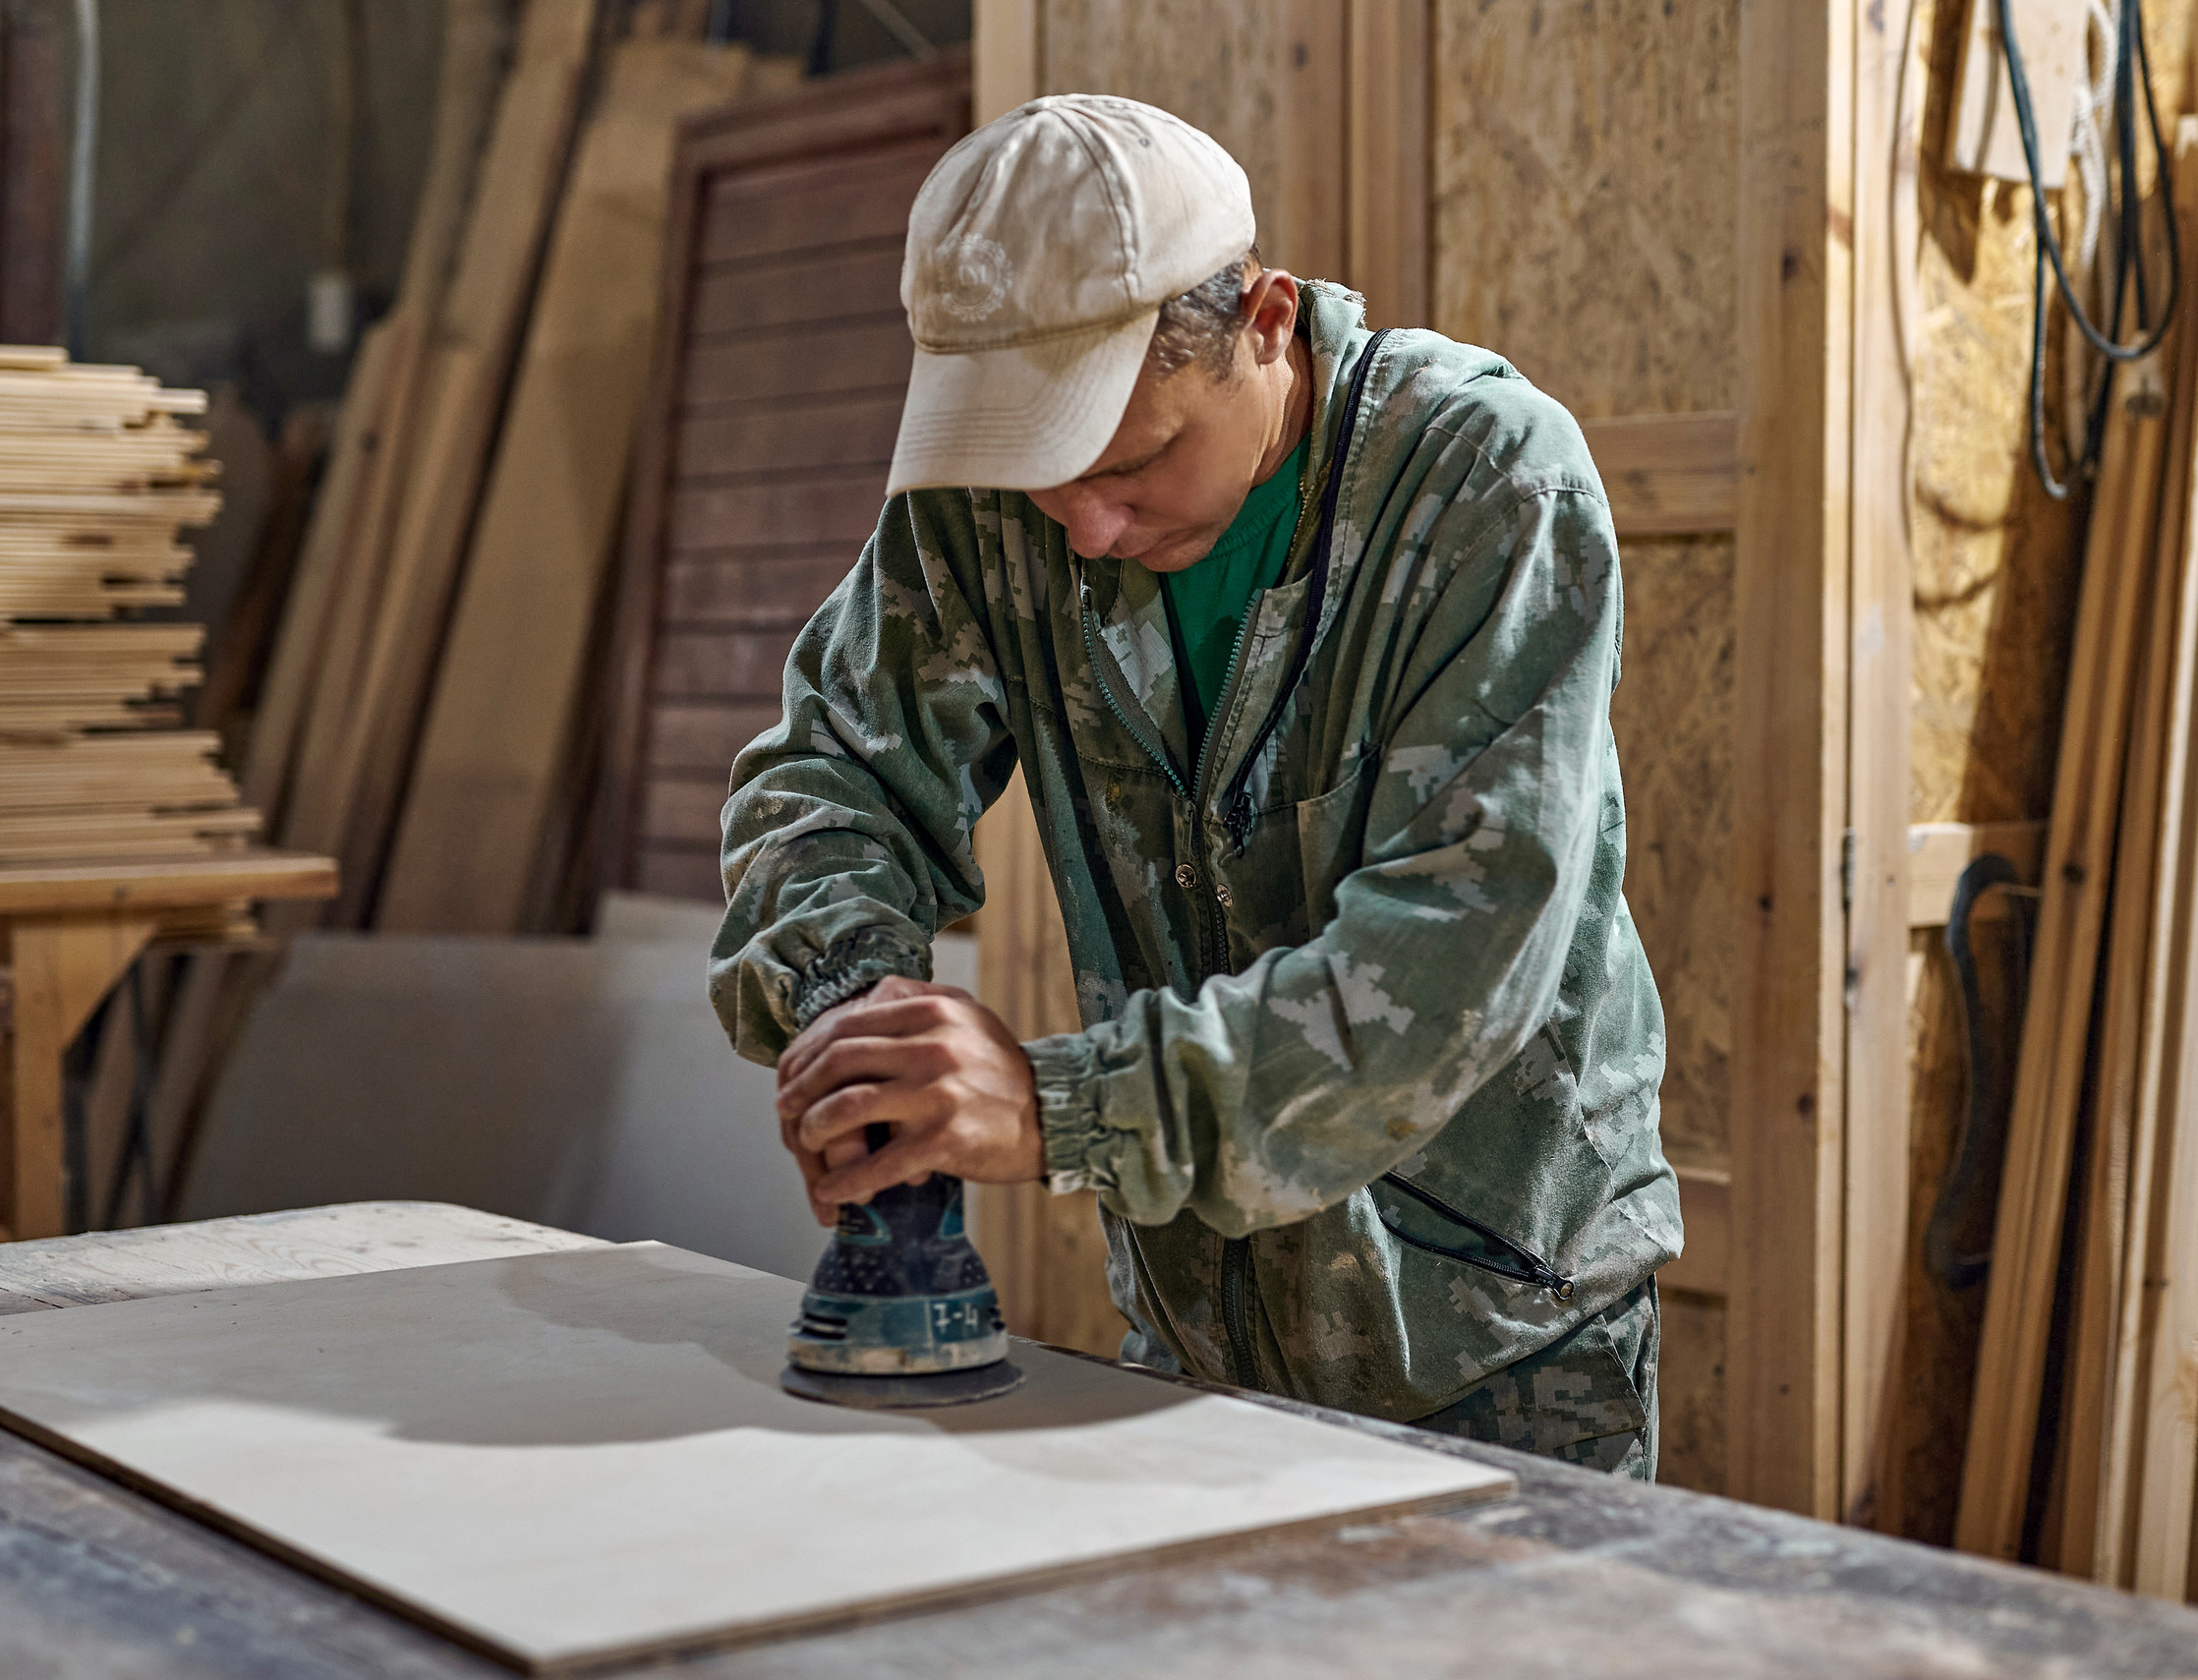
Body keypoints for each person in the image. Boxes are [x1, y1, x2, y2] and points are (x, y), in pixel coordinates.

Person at [711, 93, 1678, 1475]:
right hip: (1195, 1338)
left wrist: (1062, 1107)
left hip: (1494, 1339)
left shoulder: (1486, 483)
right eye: (1047, 480)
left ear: (1264, 320)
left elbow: (1455, 964)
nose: (1086, 525)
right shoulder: (994, 496)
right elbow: (831, 777)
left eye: (1135, 460)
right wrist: (858, 1013)